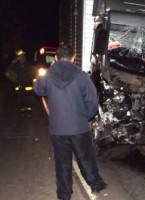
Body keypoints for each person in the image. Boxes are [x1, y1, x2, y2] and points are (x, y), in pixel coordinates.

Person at [33, 45, 106, 200]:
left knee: (62, 162)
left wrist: (45, 73)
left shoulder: (48, 75)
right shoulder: (81, 76)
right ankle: (95, 185)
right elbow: (93, 102)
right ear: (73, 58)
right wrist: (83, 117)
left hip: (58, 129)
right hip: (79, 127)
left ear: (56, 58)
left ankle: (64, 194)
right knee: (86, 158)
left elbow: (39, 91)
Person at [5, 49, 34, 117]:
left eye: (22, 56)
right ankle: (22, 112)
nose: (21, 57)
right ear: (17, 57)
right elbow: (7, 72)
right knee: (21, 100)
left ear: (24, 56)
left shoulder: (28, 65)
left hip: (28, 86)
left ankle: (29, 113)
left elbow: (34, 74)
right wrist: (12, 78)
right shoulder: (15, 65)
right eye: (19, 56)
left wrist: (34, 82)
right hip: (19, 86)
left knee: (28, 100)